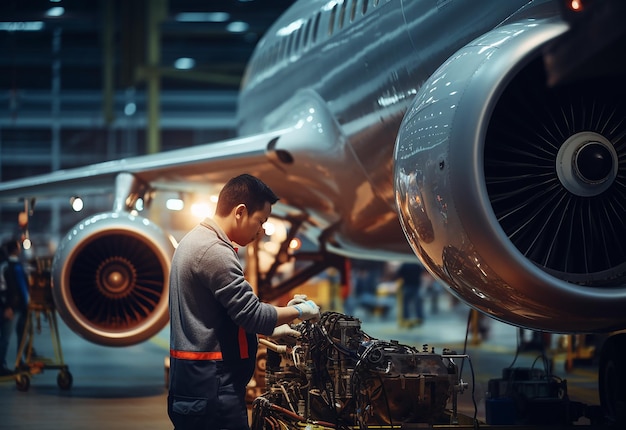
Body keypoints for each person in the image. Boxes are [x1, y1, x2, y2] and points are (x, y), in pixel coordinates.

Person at [167, 173, 321, 430]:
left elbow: (220, 318)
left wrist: (269, 332)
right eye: (260, 220)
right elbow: (252, 315)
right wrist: (300, 310)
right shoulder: (213, 251)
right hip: (212, 387)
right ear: (240, 212)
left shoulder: (198, 241)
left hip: (200, 383)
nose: (261, 230)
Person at [396, 262, 425, 327]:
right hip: (416, 285)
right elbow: (422, 272)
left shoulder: (405, 264)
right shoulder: (416, 264)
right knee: (417, 303)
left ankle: (406, 318)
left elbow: (399, 274)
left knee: (405, 303)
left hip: (407, 285)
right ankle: (419, 318)